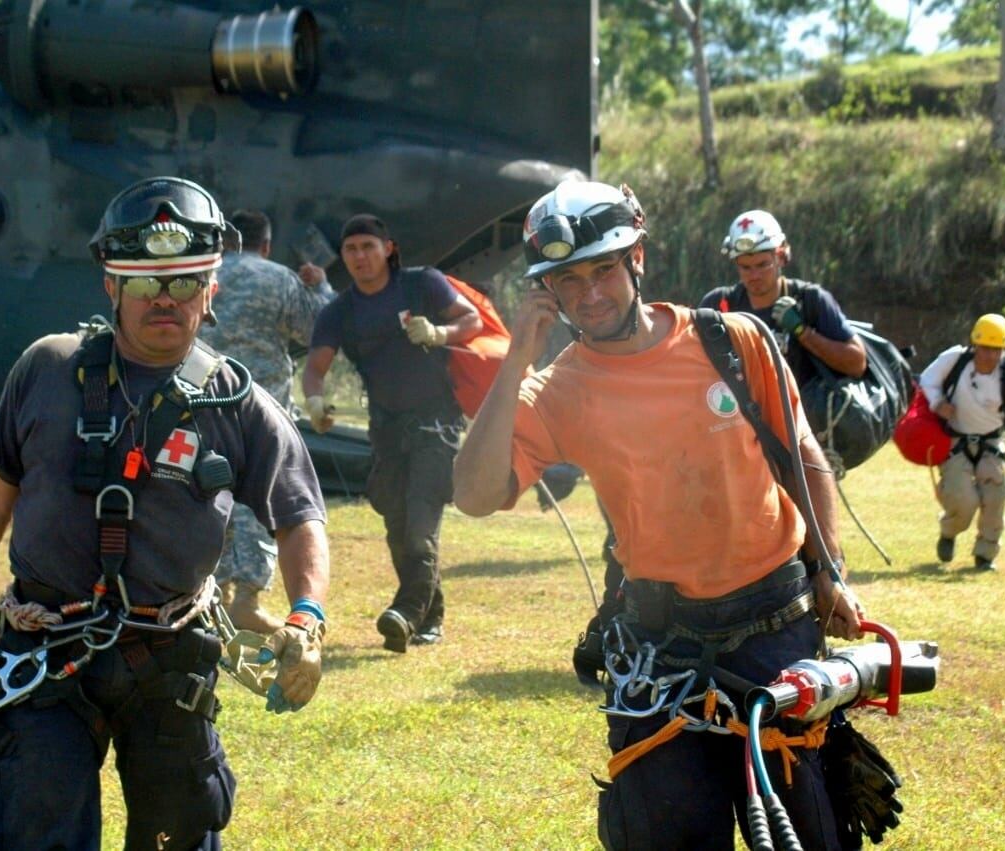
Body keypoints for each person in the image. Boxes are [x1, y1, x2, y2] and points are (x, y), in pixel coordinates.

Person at [0, 176, 330, 851]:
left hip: (170, 655)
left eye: (183, 282)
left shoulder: (237, 403)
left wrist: (307, 618)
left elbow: (299, 516)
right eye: (145, 282)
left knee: (179, 831)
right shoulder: (47, 369)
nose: (164, 297)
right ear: (111, 287)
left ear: (210, 290)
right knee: (32, 828)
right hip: (45, 652)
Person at [453, 180, 865, 849]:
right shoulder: (557, 389)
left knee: (808, 831)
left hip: (774, 622)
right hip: (660, 643)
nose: (588, 294)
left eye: (602, 270)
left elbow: (803, 458)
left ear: (637, 257)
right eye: (567, 279)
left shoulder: (731, 341)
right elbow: (474, 495)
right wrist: (514, 362)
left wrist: (831, 569)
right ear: (546, 290)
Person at [303, 214, 482, 652]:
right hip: (385, 432)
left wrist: (439, 332)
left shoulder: (423, 284)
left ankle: (405, 612)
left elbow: (472, 320)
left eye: (368, 246)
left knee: (420, 526)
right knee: (398, 529)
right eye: (351, 249)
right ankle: (428, 617)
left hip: (436, 424)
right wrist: (315, 402)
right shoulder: (339, 311)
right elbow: (314, 369)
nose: (360, 256)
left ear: (388, 248)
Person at [204, 208, 334, 633]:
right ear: (266, 244)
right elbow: (317, 329)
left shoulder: (202, 275)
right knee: (258, 498)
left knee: (206, 491)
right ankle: (246, 599)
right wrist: (321, 286)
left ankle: (211, 595)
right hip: (261, 409)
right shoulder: (279, 278)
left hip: (201, 404)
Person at [919, 313, 1005, 570]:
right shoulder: (954, 360)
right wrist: (937, 403)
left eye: (996, 349)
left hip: (991, 445)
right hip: (955, 442)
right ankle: (949, 531)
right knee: (963, 501)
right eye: (985, 348)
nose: (990, 355)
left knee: (996, 497)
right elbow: (927, 380)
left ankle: (985, 554)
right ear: (974, 344)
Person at [699, 209, 867, 385]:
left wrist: (802, 332)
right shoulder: (718, 305)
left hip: (800, 402)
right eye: (745, 267)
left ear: (780, 257)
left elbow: (858, 364)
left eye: (762, 265)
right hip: (740, 403)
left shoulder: (811, 300)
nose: (754, 275)